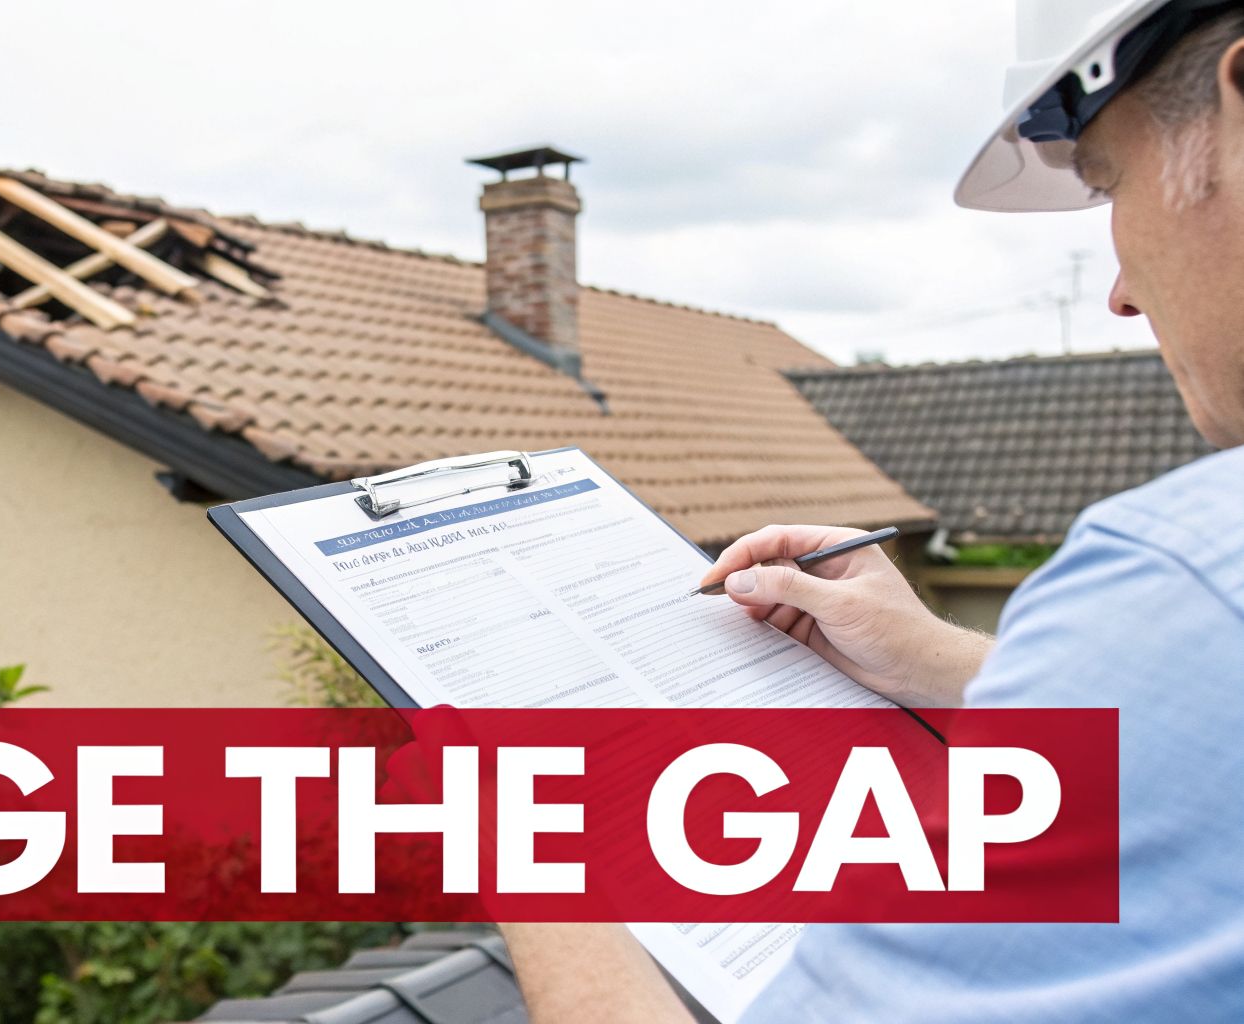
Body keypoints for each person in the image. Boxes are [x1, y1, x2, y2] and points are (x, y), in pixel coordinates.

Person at [498, 1, 1244, 1019]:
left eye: (1108, 181)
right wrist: (938, 660)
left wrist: (523, 836)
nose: (1118, 290)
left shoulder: (1190, 577)